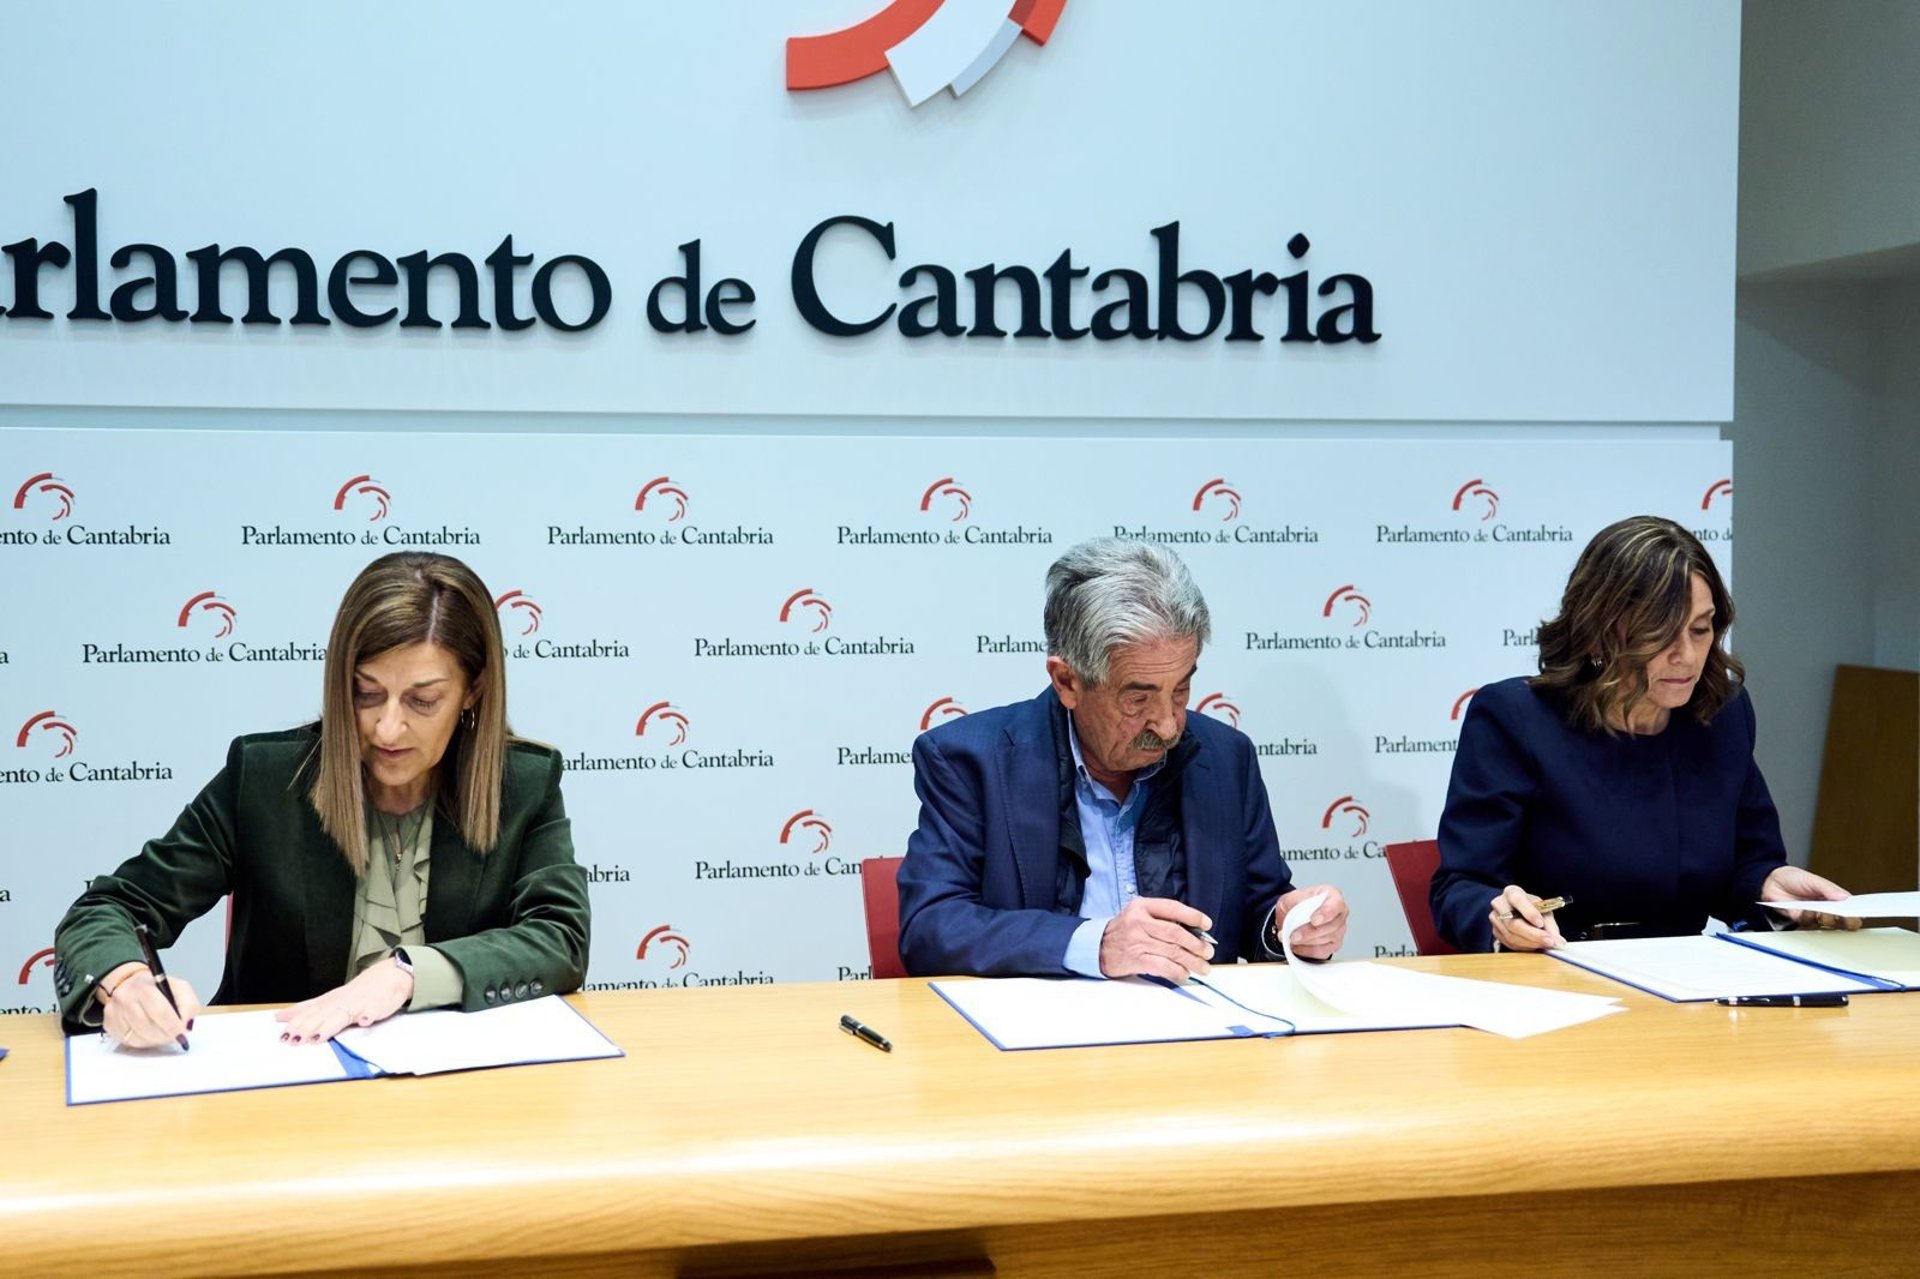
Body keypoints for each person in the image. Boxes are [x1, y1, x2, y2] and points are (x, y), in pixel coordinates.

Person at [53, 551, 590, 1047]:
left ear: (473, 689)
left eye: (423, 700)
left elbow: (560, 938)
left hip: (457, 1089)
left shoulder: (524, 785)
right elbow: (108, 909)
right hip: (283, 1082)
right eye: (366, 693)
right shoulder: (265, 780)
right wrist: (124, 982)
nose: (388, 727)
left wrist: (408, 973)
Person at [898, 537, 1348, 980]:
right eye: (1138, 699)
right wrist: (1096, 944)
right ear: (1067, 682)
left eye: (1181, 689)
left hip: (1196, 1020)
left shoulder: (1226, 757)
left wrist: (1291, 927)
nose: (1168, 725)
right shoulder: (971, 761)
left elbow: (1259, 908)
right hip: (1041, 1023)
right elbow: (932, 927)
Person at [1431, 515, 1849, 952]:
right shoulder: (1515, 718)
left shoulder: (1723, 715)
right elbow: (1460, 886)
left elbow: (1745, 865)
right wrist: (1502, 917)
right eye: (1660, 634)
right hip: (1562, 968)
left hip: (1686, 974)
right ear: (1596, 633)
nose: (1687, 656)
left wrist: (1769, 885)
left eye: (1700, 629)